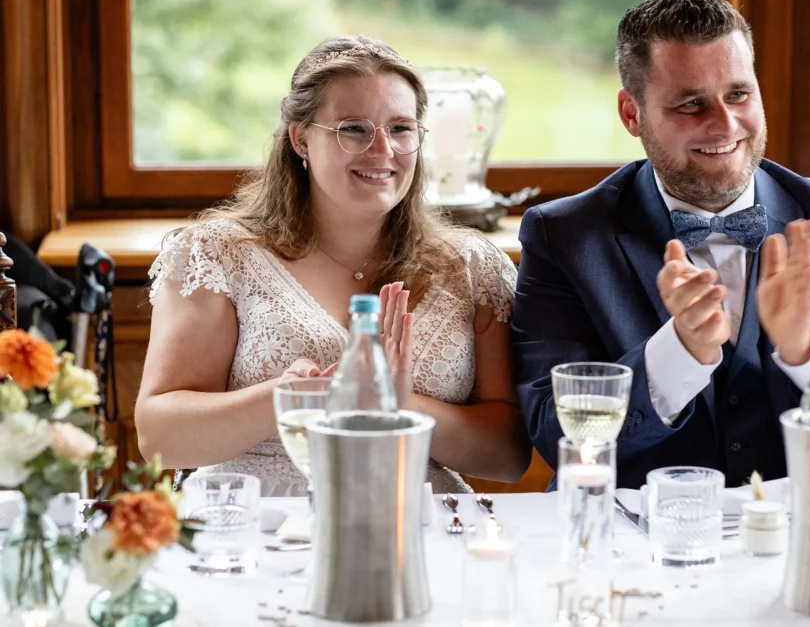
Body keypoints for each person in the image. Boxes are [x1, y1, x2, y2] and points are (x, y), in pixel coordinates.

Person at [512, 0, 810, 489]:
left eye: (739, 94)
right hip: (630, 544)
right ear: (632, 114)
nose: (726, 125)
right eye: (691, 105)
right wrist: (679, 352)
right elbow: (555, 434)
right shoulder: (564, 235)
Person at [136, 35, 532, 496]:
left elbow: (508, 456)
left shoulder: (473, 266)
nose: (382, 149)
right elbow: (159, 437)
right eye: (354, 129)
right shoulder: (218, 254)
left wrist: (397, 404)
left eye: (401, 129)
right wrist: (287, 397)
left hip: (419, 522)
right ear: (300, 138)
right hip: (257, 527)